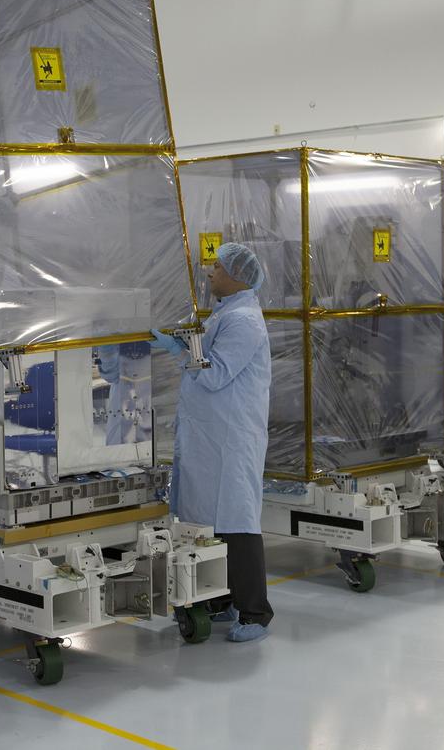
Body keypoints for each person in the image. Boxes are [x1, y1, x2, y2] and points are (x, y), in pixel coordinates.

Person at [151, 242, 274, 643]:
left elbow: (215, 373)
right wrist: (184, 346)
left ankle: (255, 612)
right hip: (211, 435)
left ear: (238, 275)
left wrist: (181, 350)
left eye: (217, 267)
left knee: (236, 523)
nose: (209, 272)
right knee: (211, 524)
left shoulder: (244, 321)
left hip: (231, 438)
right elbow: (205, 360)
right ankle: (222, 600)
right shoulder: (225, 312)